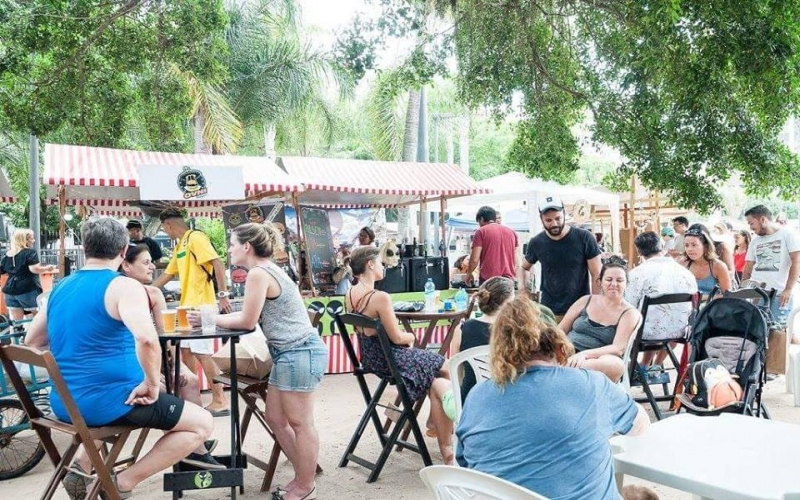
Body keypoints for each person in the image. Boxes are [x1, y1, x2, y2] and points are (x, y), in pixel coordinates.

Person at [25, 218, 213, 499]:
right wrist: (150, 383)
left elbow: (32, 342)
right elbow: (148, 339)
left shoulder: (59, 288)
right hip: (110, 403)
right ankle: (121, 482)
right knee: (202, 423)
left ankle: (83, 465)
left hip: (64, 404)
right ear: (124, 251)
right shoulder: (123, 287)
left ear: (86, 248)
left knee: (164, 395)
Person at [456, 295, 650, 500]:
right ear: (558, 344)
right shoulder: (591, 385)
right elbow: (640, 425)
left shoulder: (477, 397)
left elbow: (466, 463)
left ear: (499, 348)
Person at [195, 222, 327, 500]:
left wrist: (208, 319)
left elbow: (247, 320)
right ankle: (304, 476)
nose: (228, 249)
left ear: (246, 246)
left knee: (301, 423)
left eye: (231, 244)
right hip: (289, 353)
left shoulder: (257, 273)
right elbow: (247, 315)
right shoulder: (265, 270)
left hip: (298, 352)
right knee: (276, 418)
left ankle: (306, 486)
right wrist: (212, 317)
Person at [346, 246, 454, 465]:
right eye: (380, 262)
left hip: (370, 358)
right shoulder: (380, 297)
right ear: (370, 264)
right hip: (391, 360)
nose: (383, 266)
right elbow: (397, 338)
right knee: (448, 368)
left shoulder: (349, 293)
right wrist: (411, 338)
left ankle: (437, 427)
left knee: (437, 377)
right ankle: (443, 437)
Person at [120, 244, 222, 469]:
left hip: (156, 360)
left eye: (151, 262)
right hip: (134, 366)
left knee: (190, 380)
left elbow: (166, 336)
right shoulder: (116, 293)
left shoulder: (154, 293)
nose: (152, 267)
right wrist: (153, 375)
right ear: (125, 265)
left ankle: (195, 447)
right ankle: (194, 449)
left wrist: (179, 367)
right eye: (145, 263)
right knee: (170, 389)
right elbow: (137, 343)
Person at [153, 208, 231, 416]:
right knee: (186, 352)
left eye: (164, 228)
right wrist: (144, 291)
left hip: (201, 305)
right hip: (186, 307)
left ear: (168, 225)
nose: (165, 231)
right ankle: (192, 401)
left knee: (201, 353)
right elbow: (167, 275)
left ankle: (220, 399)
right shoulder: (181, 244)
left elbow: (217, 262)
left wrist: (222, 294)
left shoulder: (196, 237)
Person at [558, 257, 642, 382]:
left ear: (626, 284)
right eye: (609, 279)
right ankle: (563, 369)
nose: (614, 284)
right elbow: (561, 328)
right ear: (600, 281)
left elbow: (618, 348)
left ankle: (562, 370)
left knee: (616, 366)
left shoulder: (629, 313)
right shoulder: (586, 300)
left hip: (596, 360)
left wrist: (584, 355)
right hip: (568, 351)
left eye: (619, 280)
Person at [522, 196, 602, 321]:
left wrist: (595, 305)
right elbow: (523, 268)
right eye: (548, 220)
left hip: (579, 309)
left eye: (558, 218)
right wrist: (524, 290)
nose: (554, 224)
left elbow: (597, 274)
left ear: (564, 214)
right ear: (541, 219)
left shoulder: (584, 237)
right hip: (548, 311)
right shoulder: (536, 242)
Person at [625, 232, 698, 368]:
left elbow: (629, 307)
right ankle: (652, 366)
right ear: (662, 246)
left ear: (639, 251)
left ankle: (636, 367)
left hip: (647, 333)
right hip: (680, 331)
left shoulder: (637, 274)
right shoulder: (685, 273)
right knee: (660, 316)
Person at [450, 277, 515, 403]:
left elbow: (455, 370)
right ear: (507, 303)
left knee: (439, 387)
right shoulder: (514, 332)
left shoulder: (462, 329)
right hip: (505, 402)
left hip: (469, 402)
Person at [743, 205, 800, 333]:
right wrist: (743, 289)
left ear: (763, 219)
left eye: (752, 223)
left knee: (778, 332)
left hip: (779, 293)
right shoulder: (755, 241)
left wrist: (788, 289)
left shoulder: (787, 234)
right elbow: (748, 267)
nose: (751, 228)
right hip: (756, 292)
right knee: (755, 330)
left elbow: (796, 261)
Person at [0, 228, 56, 320]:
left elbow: (3, 271)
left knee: (17, 322)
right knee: (42, 316)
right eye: (31, 238)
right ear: (24, 240)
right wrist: (47, 268)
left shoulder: (8, 255)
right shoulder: (30, 253)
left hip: (10, 291)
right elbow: (34, 269)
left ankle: (19, 333)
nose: (33, 241)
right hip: (27, 290)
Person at [465, 206, 520, 286]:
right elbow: (517, 259)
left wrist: (469, 273)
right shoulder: (512, 232)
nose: (479, 225)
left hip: (488, 280)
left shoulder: (481, 232)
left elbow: (474, 259)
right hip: (508, 280)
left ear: (481, 218)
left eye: (479, 222)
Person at [682, 226, 731, 296]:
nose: (690, 249)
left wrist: (702, 298)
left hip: (712, 306)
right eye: (686, 245)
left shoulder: (718, 266)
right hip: (687, 306)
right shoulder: (682, 264)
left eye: (694, 245)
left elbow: (727, 295)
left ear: (705, 246)